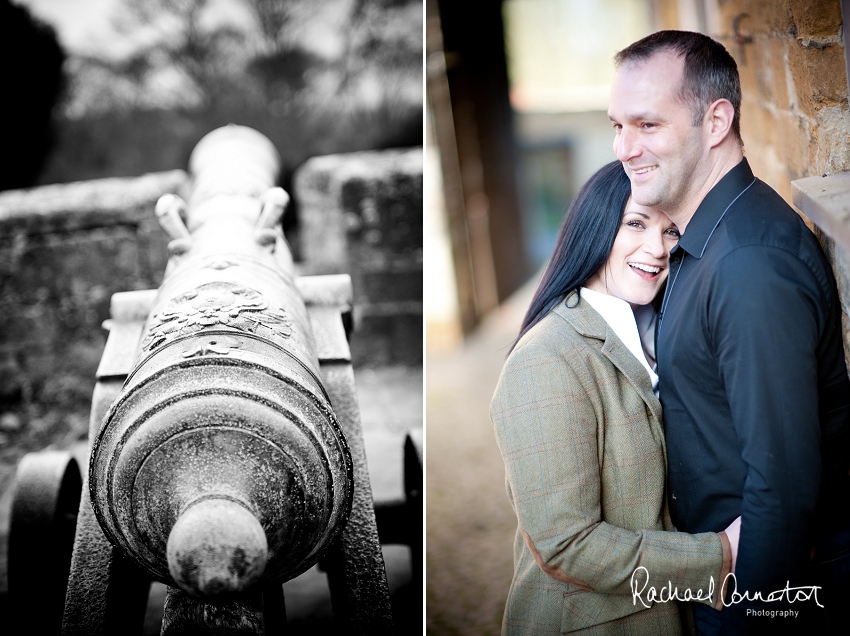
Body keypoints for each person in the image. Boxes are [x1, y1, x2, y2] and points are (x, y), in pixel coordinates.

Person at [608, 30, 850, 634]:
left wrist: (747, 615)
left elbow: (783, 486)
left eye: (647, 126)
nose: (625, 148)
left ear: (716, 122)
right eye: (617, 126)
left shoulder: (748, 264)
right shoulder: (699, 243)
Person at [491, 161, 737, 636]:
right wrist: (720, 555)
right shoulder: (547, 360)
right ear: (595, 226)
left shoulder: (655, 331)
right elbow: (566, 545)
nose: (657, 248)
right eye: (636, 224)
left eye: (671, 232)